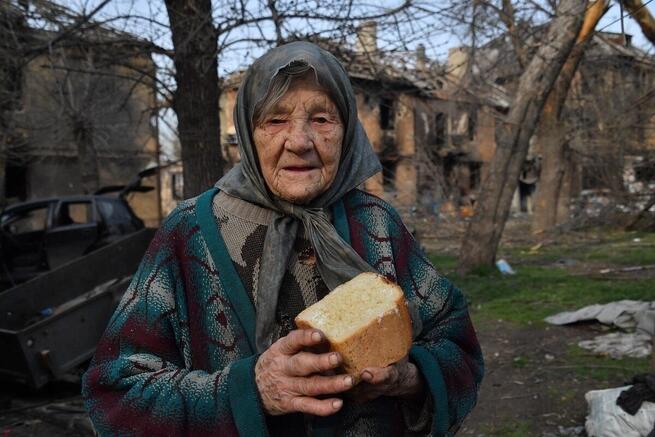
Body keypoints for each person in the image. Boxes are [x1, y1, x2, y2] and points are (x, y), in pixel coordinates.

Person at [82, 41, 483, 436]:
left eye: (322, 119)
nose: (300, 142)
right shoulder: (189, 232)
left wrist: (410, 378)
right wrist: (250, 391)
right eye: (275, 120)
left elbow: (458, 346)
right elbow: (115, 395)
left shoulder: (377, 222)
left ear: (347, 130)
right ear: (248, 132)